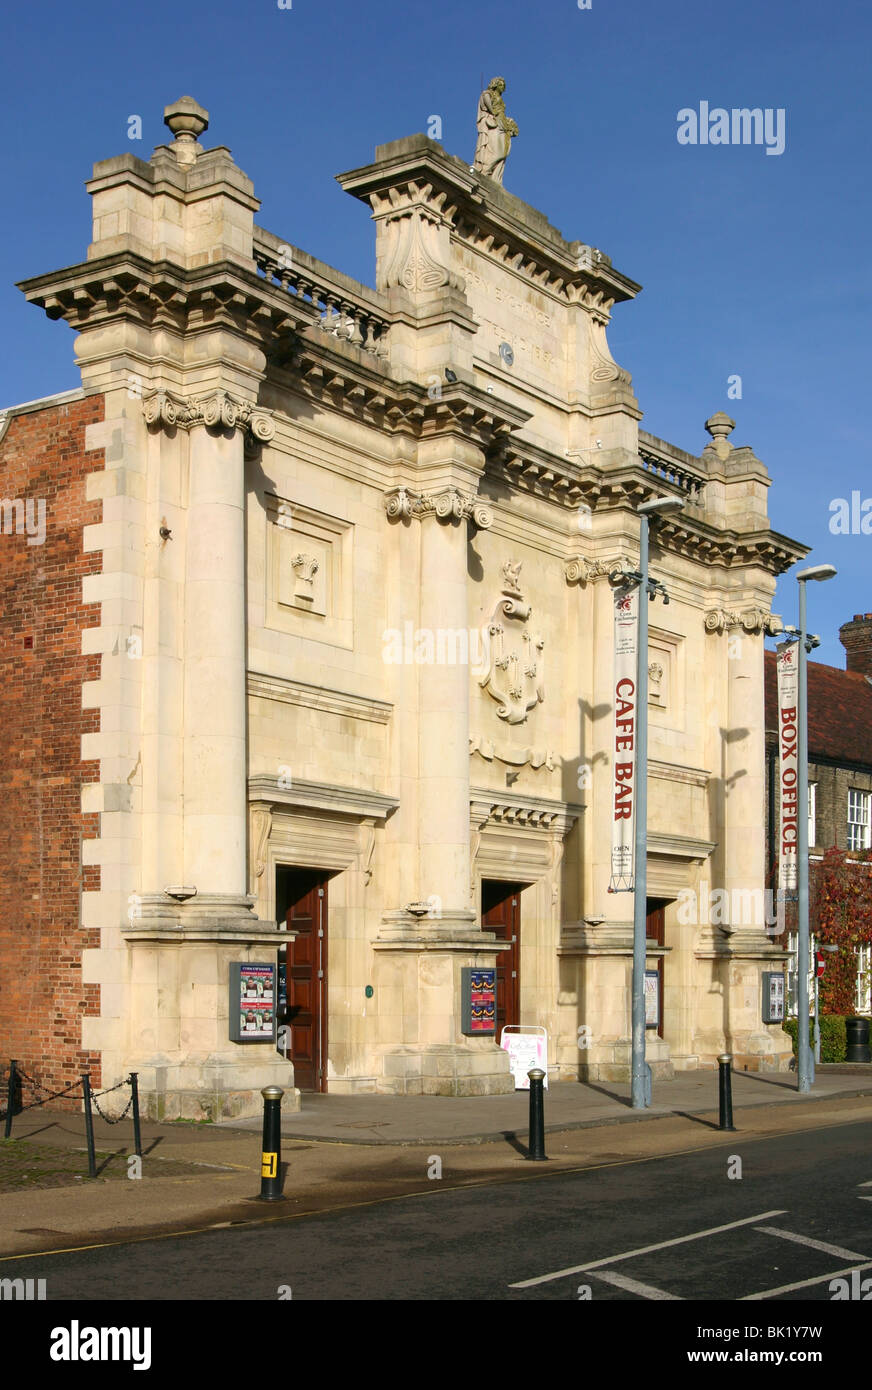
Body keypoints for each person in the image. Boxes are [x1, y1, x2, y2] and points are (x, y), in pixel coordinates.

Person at [473, 77, 518, 185]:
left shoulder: (499, 99)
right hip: (493, 123)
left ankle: (494, 177)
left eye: (503, 85)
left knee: (503, 151)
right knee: (498, 152)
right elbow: (487, 103)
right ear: (495, 84)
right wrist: (494, 113)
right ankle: (485, 170)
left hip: (501, 123)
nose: (503, 87)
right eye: (501, 84)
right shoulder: (487, 93)